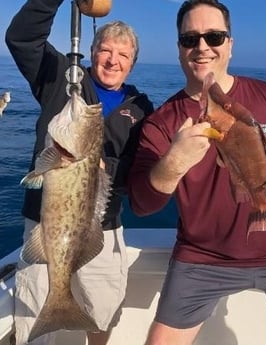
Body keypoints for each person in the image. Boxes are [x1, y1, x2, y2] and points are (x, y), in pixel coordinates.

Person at [127, 1, 266, 344]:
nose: (202, 47)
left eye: (214, 36)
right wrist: (175, 162)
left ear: (230, 45)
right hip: (202, 258)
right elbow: (142, 205)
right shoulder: (162, 123)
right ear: (179, 48)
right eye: (190, 38)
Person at [5, 1, 154, 345]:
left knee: (102, 311)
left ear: (133, 63)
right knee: (34, 317)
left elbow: (143, 168)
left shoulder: (142, 109)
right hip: (47, 223)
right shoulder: (63, 77)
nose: (112, 60)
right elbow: (21, 37)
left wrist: (107, 168)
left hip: (102, 228)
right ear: (91, 51)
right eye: (105, 50)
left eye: (123, 54)